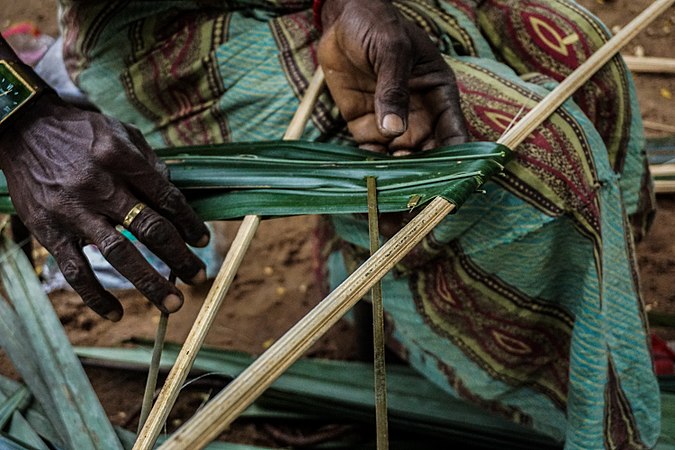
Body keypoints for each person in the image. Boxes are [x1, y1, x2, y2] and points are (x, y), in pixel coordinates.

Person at [0, 0, 660, 448]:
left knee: (579, 48)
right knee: (538, 160)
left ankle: (592, 323)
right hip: (159, 27)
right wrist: (20, 122)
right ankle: (581, 398)